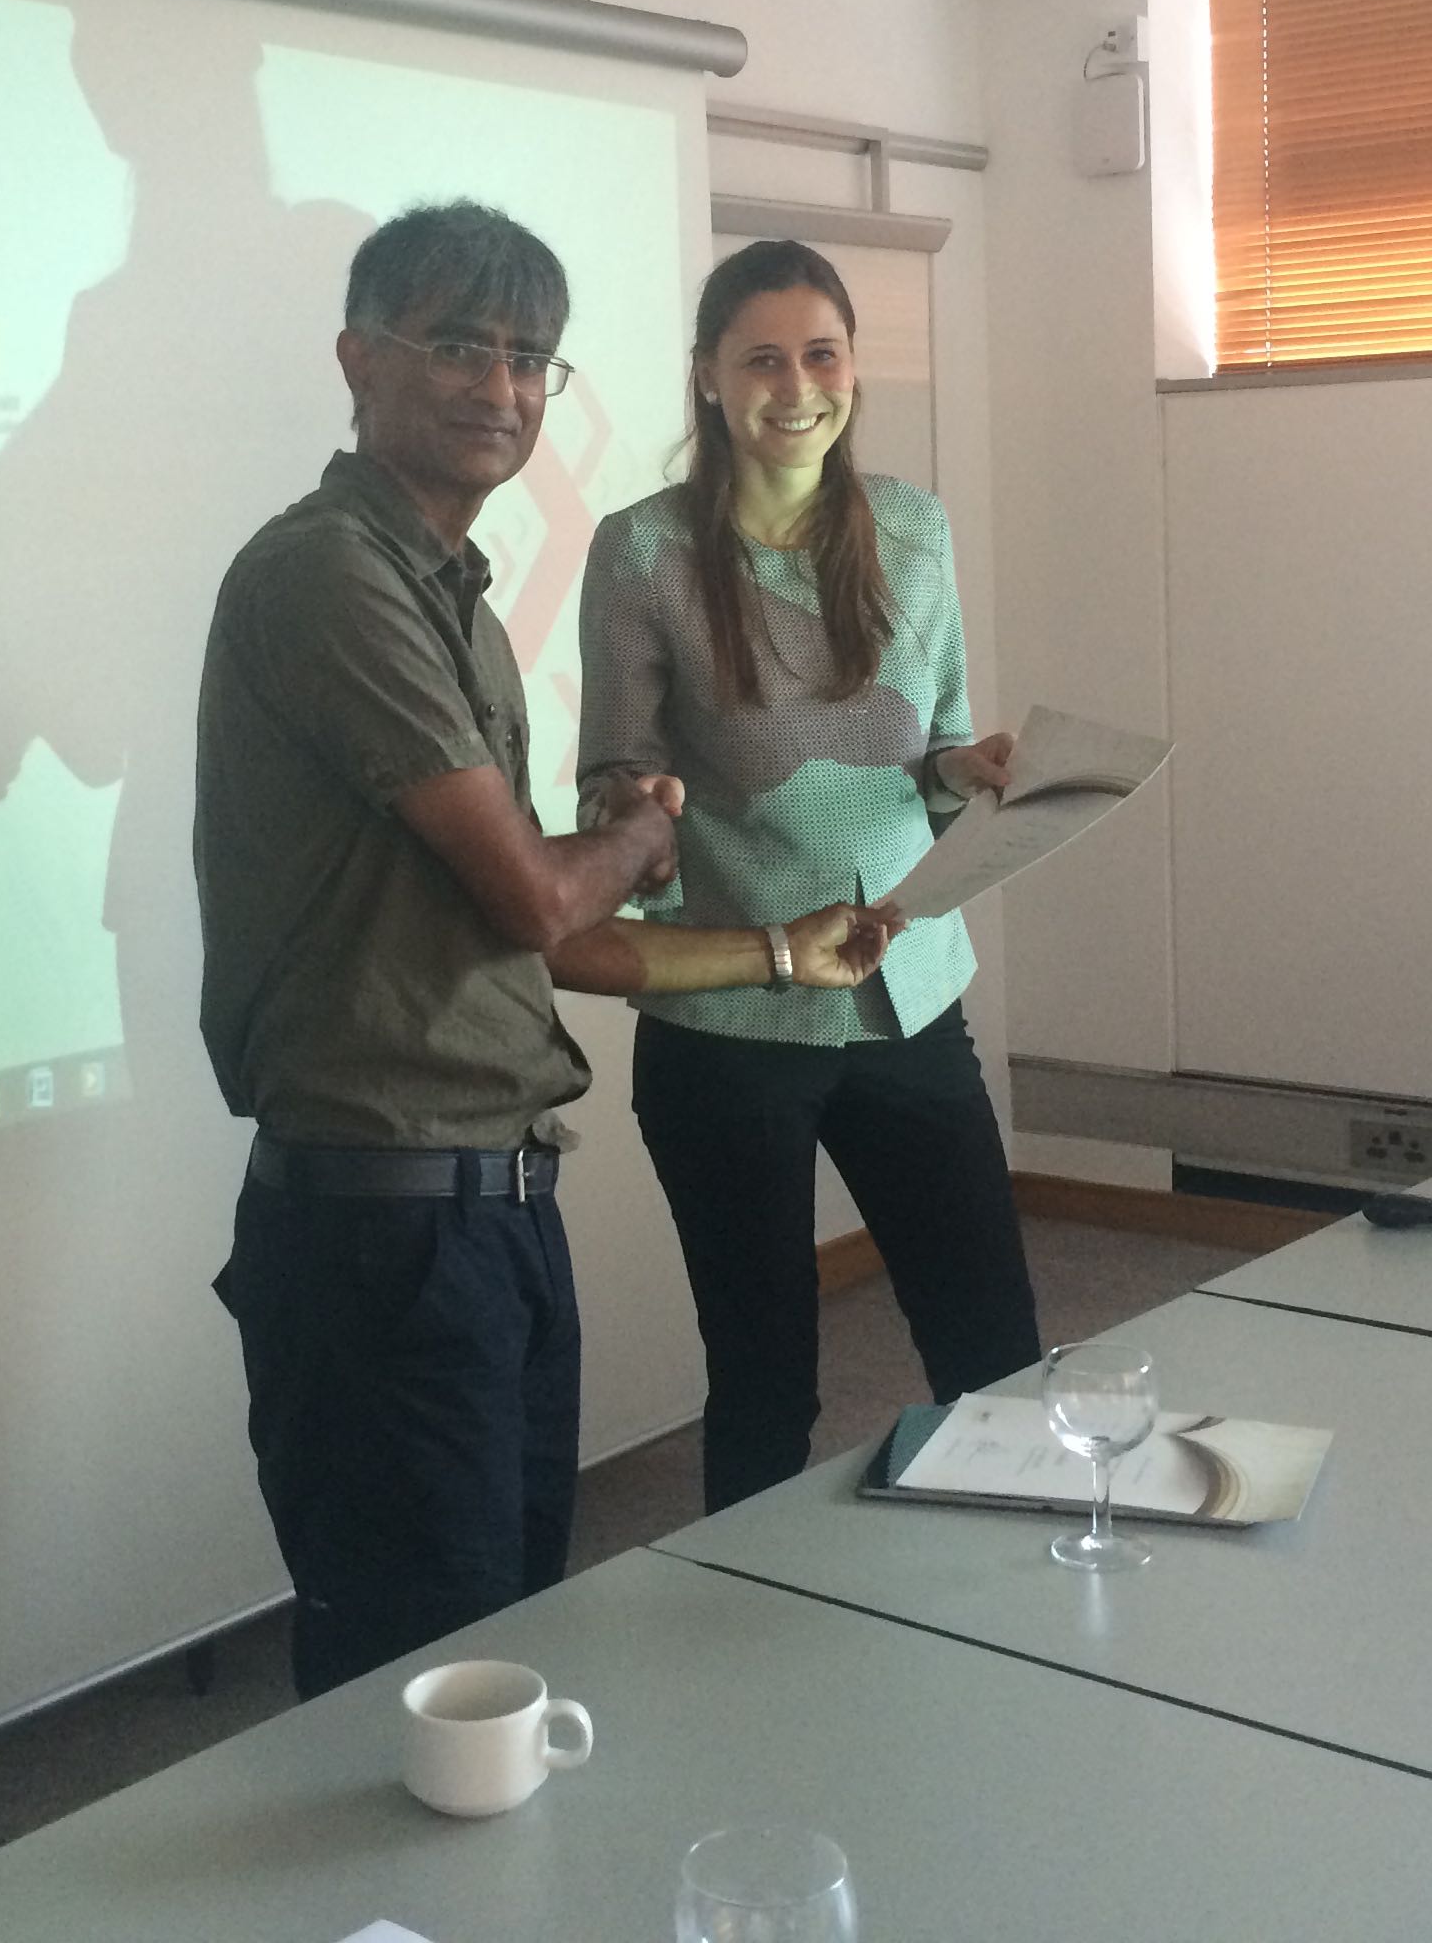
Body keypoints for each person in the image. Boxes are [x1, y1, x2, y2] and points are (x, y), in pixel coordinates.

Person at [195, 201, 890, 1699]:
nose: (502, 389)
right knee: (416, 1673)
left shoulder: (455, 599)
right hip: (387, 1231)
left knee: (506, 1636)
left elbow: (548, 946)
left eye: (532, 358)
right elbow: (535, 896)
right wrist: (644, 833)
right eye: (459, 346)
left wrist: (780, 956)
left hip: (488, 1209)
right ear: (357, 358)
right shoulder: (331, 574)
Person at [576, 238, 1042, 1514]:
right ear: (710, 382)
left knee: (990, 1352)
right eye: (763, 359)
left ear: (852, 370)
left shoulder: (913, 527)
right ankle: (754, 1642)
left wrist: (972, 766)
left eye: (822, 354)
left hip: (907, 990)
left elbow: (926, 753)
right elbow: (608, 777)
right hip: (733, 1016)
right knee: (766, 1381)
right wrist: (639, 806)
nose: (797, 386)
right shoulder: (643, 553)